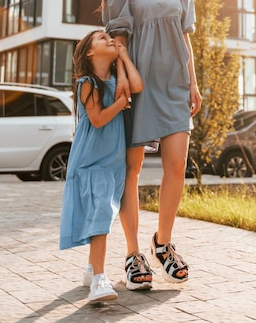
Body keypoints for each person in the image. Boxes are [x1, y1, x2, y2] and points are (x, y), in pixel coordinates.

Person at [79, 0, 202, 290]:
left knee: (177, 165)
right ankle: (134, 253)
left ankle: (162, 242)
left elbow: (185, 38)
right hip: (138, 88)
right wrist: (124, 85)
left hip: (176, 86)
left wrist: (194, 84)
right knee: (131, 170)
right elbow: (119, 41)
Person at [59, 28, 143, 304]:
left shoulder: (118, 79)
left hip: (112, 162)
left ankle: (90, 270)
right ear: (90, 52)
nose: (109, 39)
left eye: (110, 38)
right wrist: (121, 103)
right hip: (91, 161)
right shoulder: (87, 82)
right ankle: (98, 279)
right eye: (102, 39)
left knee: (101, 214)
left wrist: (124, 56)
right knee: (101, 216)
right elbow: (96, 119)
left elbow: (138, 85)